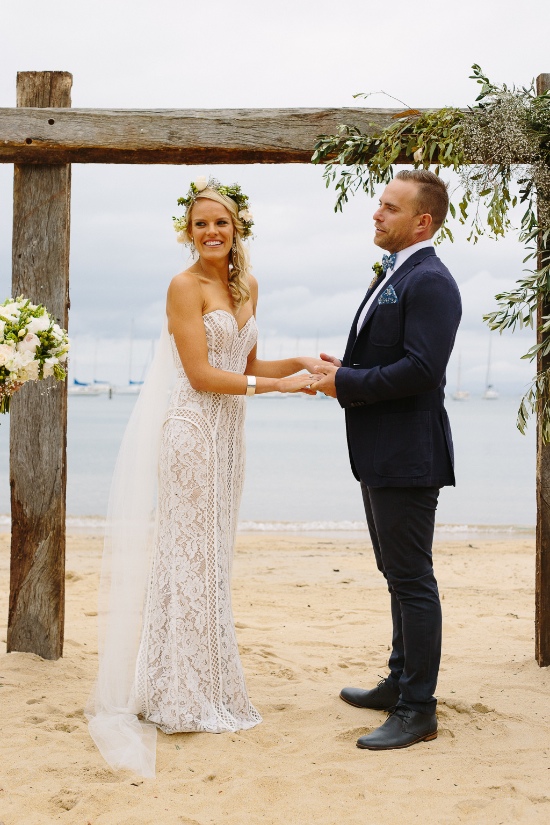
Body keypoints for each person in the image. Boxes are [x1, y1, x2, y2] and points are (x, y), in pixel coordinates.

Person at [87, 177, 320, 777]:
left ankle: (206, 687)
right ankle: (177, 695)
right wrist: (278, 388)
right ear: (187, 233)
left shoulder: (246, 286)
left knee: (213, 561)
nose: (211, 232)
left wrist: (298, 363)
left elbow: (242, 364)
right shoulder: (183, 286)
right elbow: (199, 375)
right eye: (200, 224)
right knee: (185, 557)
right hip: (191, 432)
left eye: (220, 222)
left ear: (237, 227)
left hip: (230, 439)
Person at [312, 169, 462, 750]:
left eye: (389, 207)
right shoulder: (398, 272)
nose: (376, 214)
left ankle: (418, 708)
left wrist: (345, 381)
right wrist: (340, 372)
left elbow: (425, 370)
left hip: (408, 453)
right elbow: (387, 354)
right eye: (378, 204)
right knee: (395, 573)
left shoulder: (432, 282)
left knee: (412, 578)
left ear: (421, 221)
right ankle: (400, 680)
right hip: (382, 450)